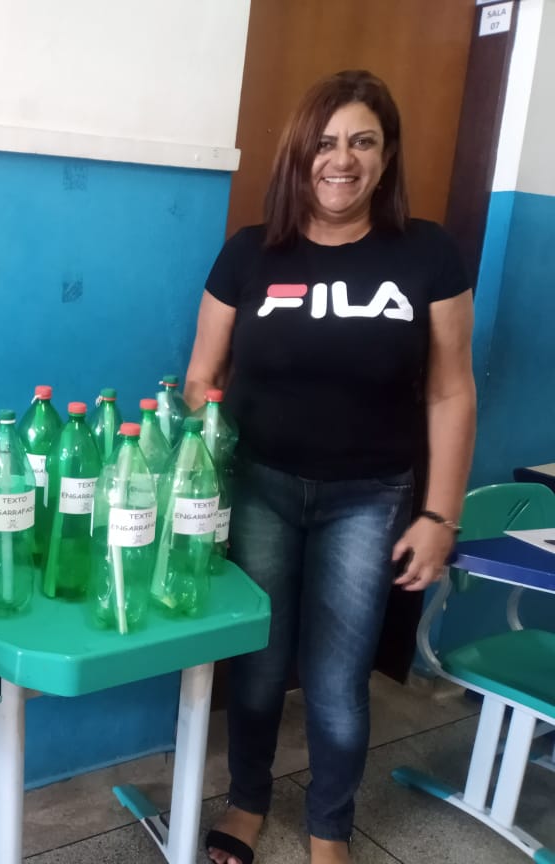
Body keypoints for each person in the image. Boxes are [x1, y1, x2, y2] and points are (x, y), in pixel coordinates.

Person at [185, 70, 476, 864]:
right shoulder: (250, 252)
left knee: (339, 680)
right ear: (298, 155)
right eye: (324, 143)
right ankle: (247, 802)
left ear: (386, 156)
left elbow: (452, 391)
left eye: (362, 142)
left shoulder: (427, 254)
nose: (341, 160)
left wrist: (440, 514)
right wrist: (198, 487)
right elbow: (202, 380)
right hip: (260, 489)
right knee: (256, 667)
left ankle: (329, 832)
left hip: (370, 497)